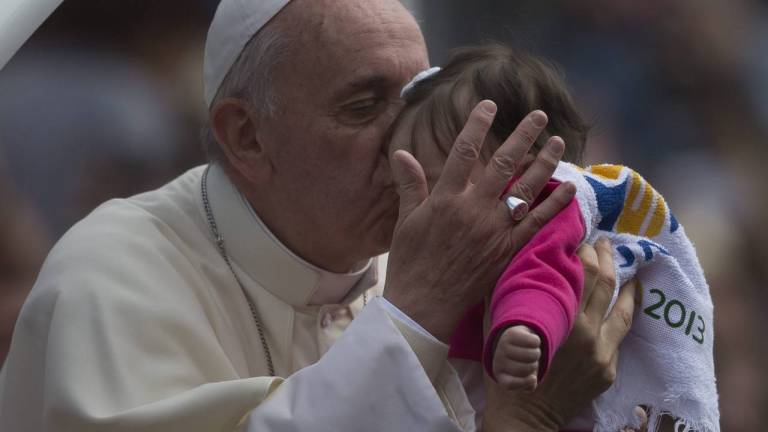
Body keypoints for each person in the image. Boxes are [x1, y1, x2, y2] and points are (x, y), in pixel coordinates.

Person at [0, 1, 638, 431]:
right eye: (363, 107)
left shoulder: (427, 257)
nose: (406, 145)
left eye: (420, 99)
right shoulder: (110, 277)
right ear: (247, 137)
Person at [388, 43, 718, 431]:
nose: (419, 209)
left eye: (440, 182)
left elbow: (541, 276)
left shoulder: (543, 220)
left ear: (523, 175)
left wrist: (524, 329)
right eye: (403, 190)